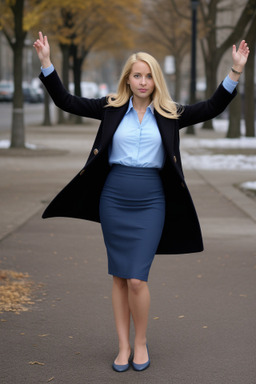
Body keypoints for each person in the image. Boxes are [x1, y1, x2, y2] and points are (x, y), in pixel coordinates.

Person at [33, 32, 249, 372]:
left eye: (148, 75)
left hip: (151, 200)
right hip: (114, 197)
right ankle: (122, 347)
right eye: (137, 75)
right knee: (119, 276)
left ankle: (140, 342)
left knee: (137, 278)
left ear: (155, 79)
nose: (143, 81)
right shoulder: (110, 108)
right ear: (128, 79)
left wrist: (234, 71)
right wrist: (46, 62)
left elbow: (212, 107)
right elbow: (66, 101)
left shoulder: (170, 112)